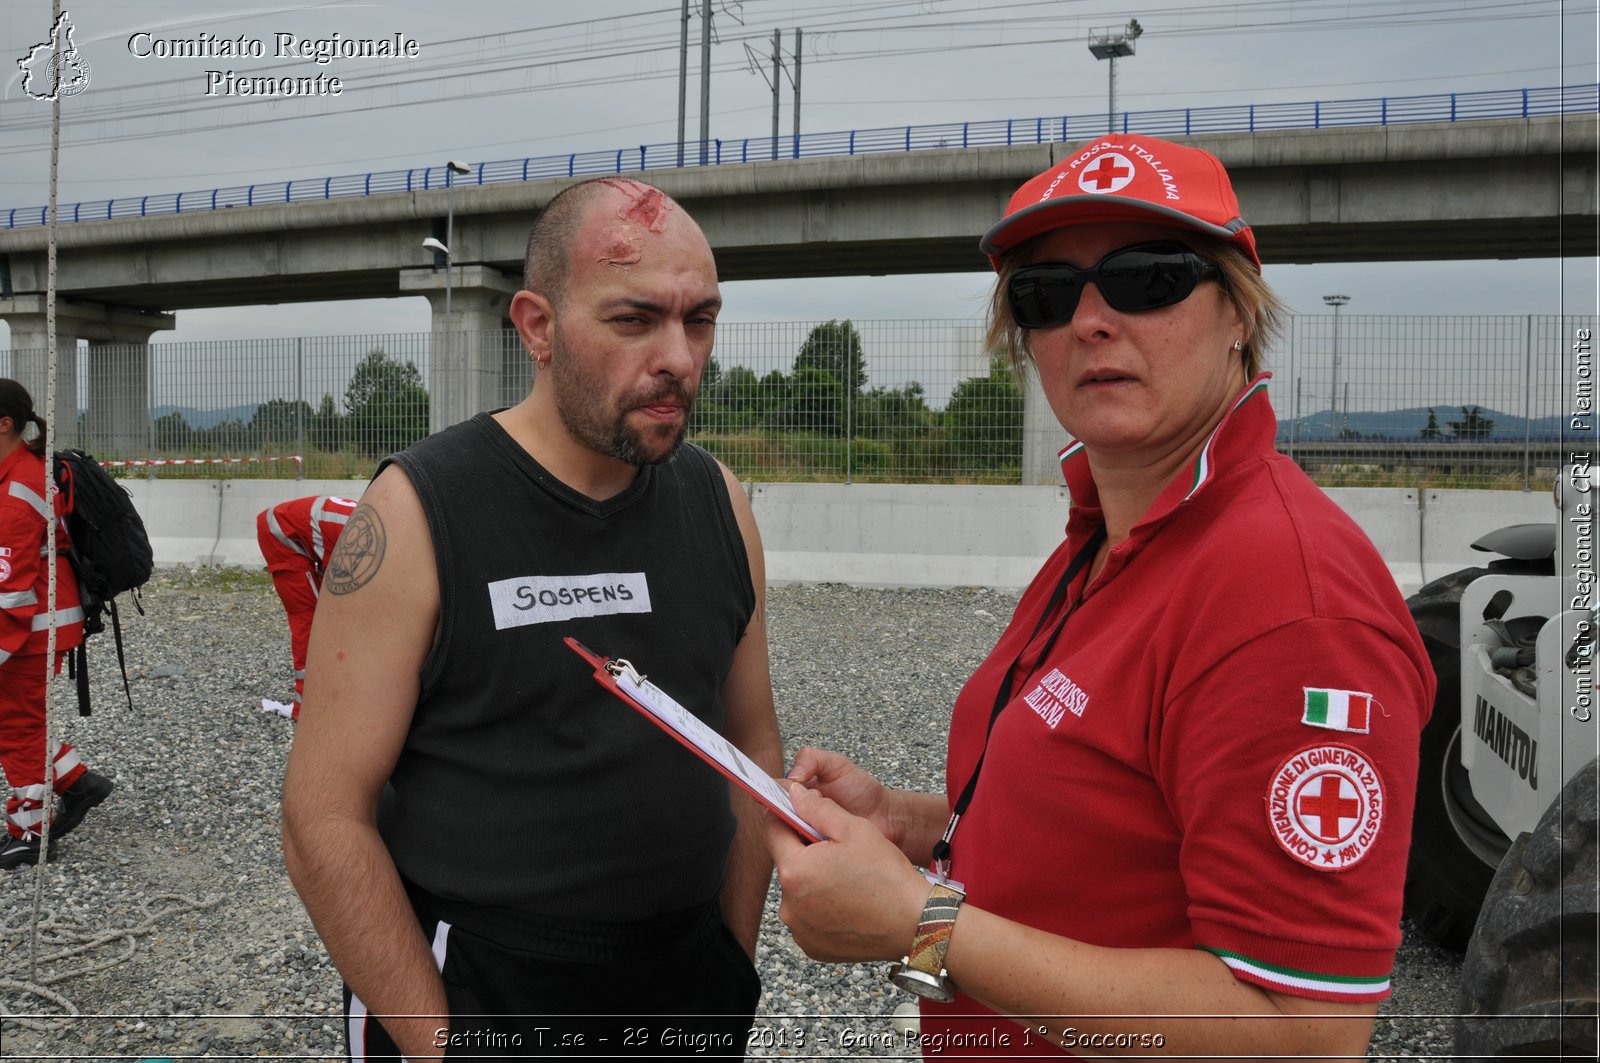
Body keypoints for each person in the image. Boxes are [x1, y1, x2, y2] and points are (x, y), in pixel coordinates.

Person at [767, 137, 1434, 1059]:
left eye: (1147, 278)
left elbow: (1303, 1033)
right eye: (1048, 294)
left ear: (1240, 311)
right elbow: (1109, 827)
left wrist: (919, 925)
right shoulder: (1104, 538)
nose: (1090, 320)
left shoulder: (1286, 600)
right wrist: (910, 825)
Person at [282, 177, 783, 1061]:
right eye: (635, 320)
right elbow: (322, 816)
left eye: (698, 319)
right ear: (537, 326)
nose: (679, 357)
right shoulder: (416, 513)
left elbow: (751, 757)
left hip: (685, 980)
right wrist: (445, 1043)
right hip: (483, 986)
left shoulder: (720, 503)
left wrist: (729, 967)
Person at [0, 379, 114, 870]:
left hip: (30, 630)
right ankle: (76, 781)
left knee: (17, 727)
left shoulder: (16, 490)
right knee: (20, 720)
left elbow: (11, 593)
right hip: (42, 624)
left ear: (4, 424)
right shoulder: (19, 472)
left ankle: (29, 834)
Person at [256, 494, 358, 720]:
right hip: (279, 536)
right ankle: (303, 709)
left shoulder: (375, 529)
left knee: (334, 616)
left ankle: (335, 687)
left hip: (310, 531)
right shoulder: (360, 540)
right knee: (309, 619)